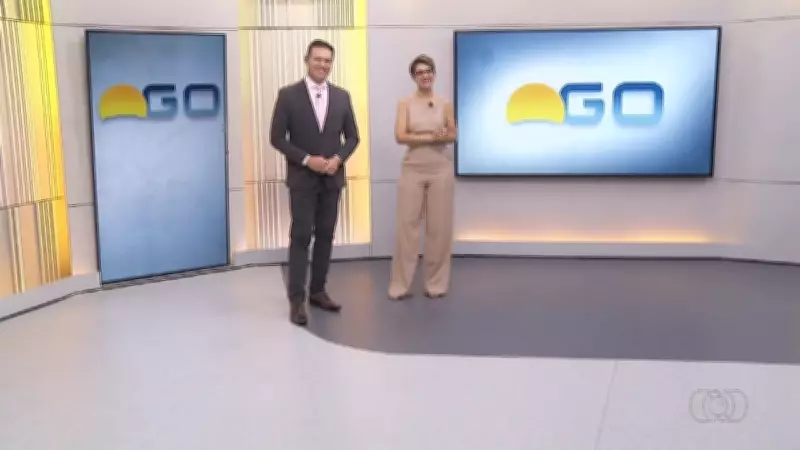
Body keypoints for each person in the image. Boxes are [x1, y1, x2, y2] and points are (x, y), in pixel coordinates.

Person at [270, 39, 360, 325]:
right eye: (318, 59)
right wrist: (307, 159)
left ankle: (318, 291)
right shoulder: (288, 95)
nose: (323, 64)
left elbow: (353, 137)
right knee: (300, 237)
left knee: (325, 235)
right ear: (306, 59)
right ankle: (296, 300)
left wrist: (338, 159)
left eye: (327, 60)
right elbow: (276, 138)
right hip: (302, 179)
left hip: (332, 180)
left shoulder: (342, 97)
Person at [388, 54, 457, 300]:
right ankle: (400, 285)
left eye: (428, 71)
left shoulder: (444, 103)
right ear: (413, 77)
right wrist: (431, 136)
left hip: (441, 169)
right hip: (413, 169)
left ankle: (436, 285)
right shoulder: (405, 103)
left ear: (434, 74)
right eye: (420, 72)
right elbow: (400, 136)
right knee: (407, 228)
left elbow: (452, 134)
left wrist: (441, 135)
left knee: (439, 229)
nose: (425, 75)